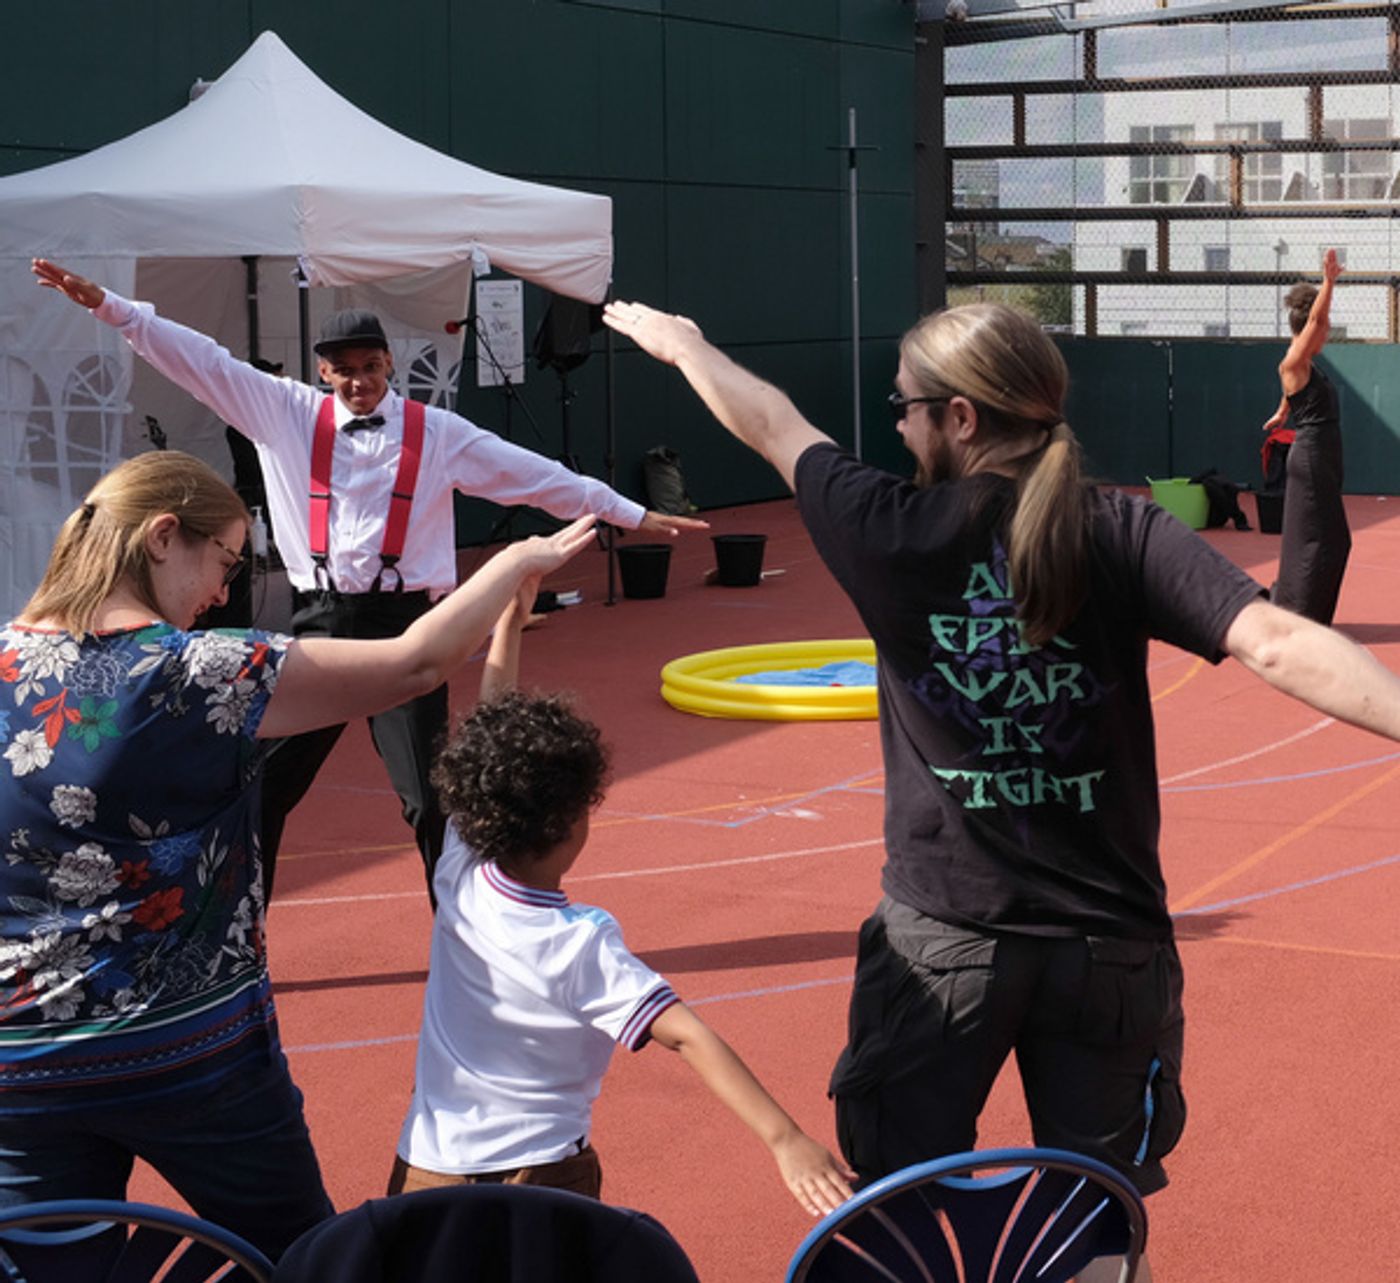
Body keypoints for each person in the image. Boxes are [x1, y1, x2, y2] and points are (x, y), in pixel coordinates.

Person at [603, 296, 1400, 1282]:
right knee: (1097, 1218)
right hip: (1108, 944)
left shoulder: (885, 527)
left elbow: (770, 423)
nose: (898, 427)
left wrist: (685, 346)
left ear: (960, 416)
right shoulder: (1120, 527)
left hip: (943, 942)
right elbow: (1275, 639)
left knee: (902, 1204)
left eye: (904, 407)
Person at [0, 448, 596, 1261]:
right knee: (308, 1257)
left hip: (23, 1062)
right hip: (196, 1055)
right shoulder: (199, 671)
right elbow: (415, 663)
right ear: (164, 536)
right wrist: (516, 563)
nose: (222, 592)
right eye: (227, 562)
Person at [31, 259, 707, 901]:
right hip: (320, 622)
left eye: (371, 366)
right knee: (262, 786)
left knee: (433, 799)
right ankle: (243, 936)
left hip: (406, 625)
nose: (360, 381)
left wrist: (629, 511)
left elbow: (532, 473)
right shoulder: (283, 411)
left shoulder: (437, 432)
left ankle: (467, 938)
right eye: (345, 369)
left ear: (389, 364)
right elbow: (203, 361)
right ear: (323, 371)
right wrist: (114, 309)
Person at [389, 611, 855, 1216]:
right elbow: (685, 1034)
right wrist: (785, 1140)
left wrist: (509, 625)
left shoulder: (459, 870)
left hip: (426, 1167)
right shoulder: (580, 942)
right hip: (539, 1175)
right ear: (573, 823)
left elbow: (491, 724)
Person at [1261, 247, 1350, 625]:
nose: (1326, 330)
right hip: (1312, 456)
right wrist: (1328, 283)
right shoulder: (1294, 361)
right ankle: (1301, 614)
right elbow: (1316, 319)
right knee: (1326, 541)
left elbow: (1292, 391)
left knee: (1325, 540)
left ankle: (1303, 611)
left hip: (1322, 456)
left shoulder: (1301, 363)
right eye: (1323, 326)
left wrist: (1283, 411)